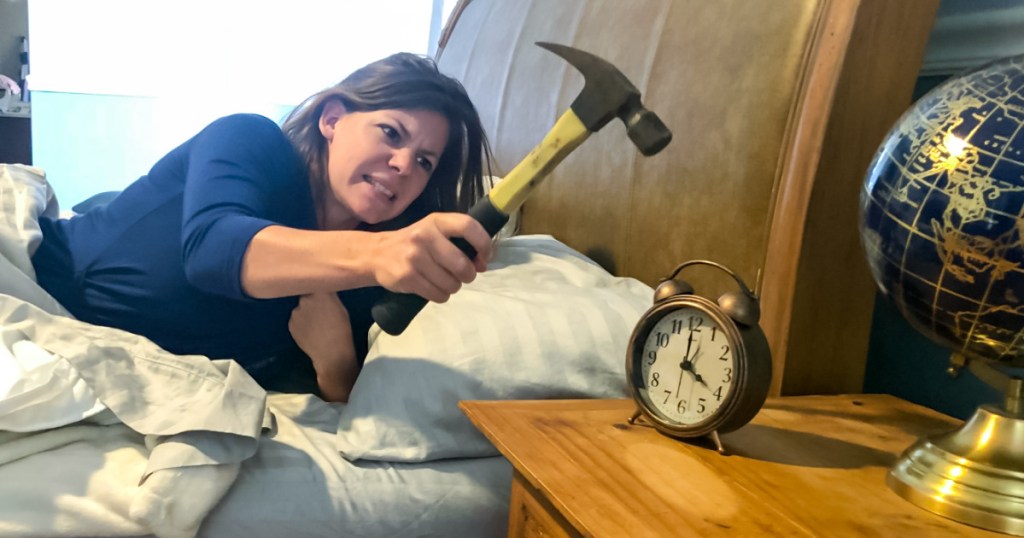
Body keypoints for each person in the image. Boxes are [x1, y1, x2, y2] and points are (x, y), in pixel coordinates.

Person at [30, 53, 495, 402]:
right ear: (332, 118)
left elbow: (351, 402)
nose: (402, 165)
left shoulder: (366, 284)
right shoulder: (250, 140)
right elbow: (213, 252)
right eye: (391, 133)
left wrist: (336, 364)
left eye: (424, 162)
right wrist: (379, 255)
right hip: (45, 282)